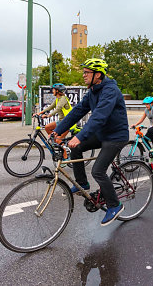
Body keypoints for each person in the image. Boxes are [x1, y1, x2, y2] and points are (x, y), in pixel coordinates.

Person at [53, 58, 129, 227]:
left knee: (98, 171)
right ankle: (82, 183)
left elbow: (99, 117)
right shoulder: (93, 91)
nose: (84, 75)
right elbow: (77, 112)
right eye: (84, 72)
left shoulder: (110, 90)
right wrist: (58, 130)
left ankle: (115, 205)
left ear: (98, 75)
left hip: (116, 136)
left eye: (87, 72)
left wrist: (79, 136)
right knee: (76, 149)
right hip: (102, 135)